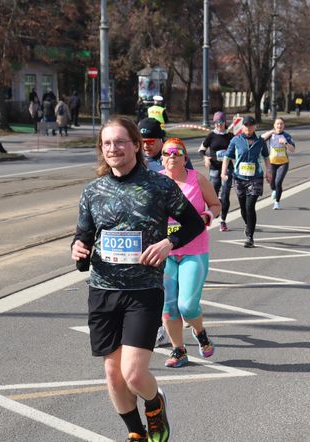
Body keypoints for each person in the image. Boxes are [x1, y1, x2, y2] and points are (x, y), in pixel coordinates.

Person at [70, 116, 206, 442]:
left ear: (135, 145)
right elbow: (84, 237)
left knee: (133, 372)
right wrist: (78, 249)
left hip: (143, 291)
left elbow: (195, 224)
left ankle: (155, 404)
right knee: (113, 375)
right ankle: (136, 433)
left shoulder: (159, 186)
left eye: (120, 142)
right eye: (107, 144)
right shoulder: (93, 192)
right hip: (103, 290)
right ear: (101, 150)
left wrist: (168, 242)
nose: (113, 148)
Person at [158, 138, 221, 368]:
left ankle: (200, 331)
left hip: (194, 251)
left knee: (187, 306)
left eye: (178, 153)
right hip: (165, 253)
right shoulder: (156, 182)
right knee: (168, 306)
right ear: (161, 158)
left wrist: (208, 216)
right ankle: (179, 350)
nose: (172, 156)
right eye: (167, 153)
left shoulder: (197, 179)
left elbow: (216, 204)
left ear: (185, 158)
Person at [221, 115, 272, 248]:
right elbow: (227, 157)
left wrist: (268, 171)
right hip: (239, 178)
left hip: (255, 178)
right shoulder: (235, 140)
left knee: (250, 206)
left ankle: (250, 236)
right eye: (246, 126)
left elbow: (266, 157)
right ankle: (248, 225)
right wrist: (223, 172)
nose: (248, 128)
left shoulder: (260, 141)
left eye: (251, 126)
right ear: (242, 127)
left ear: (255, 127)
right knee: (243, 208)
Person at [199, 111, 234, 232]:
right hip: (214, 167)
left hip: (228, 168)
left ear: (225, 122)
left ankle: (223, 221)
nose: (219, 124)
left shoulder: (230, 136)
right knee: (213, 193)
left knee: (225, 194)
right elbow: (201, 149)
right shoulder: (211, 136)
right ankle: (216, 208)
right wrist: (205, 157)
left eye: (221, 122)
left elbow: (237, 151)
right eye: (216, 122)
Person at [262, 117, 296, 210]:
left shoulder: (287, 136)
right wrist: (271, 132)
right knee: (271, 182)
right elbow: (261, 139)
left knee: (278, 182)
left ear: (284, 126)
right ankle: (274, 190)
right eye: (277, 124)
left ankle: (277, 202)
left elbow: (292, 150)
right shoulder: (271, 135)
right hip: (272, 163)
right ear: (274, 125)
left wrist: (285, 143)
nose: (279, 126)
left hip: (283, 163)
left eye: (281, 124)